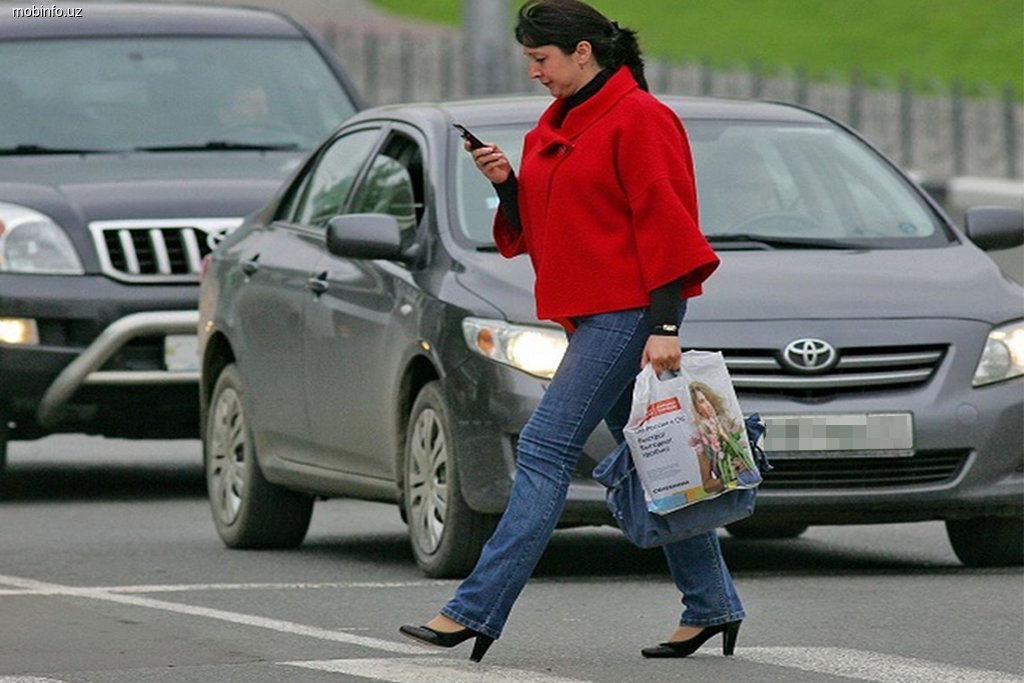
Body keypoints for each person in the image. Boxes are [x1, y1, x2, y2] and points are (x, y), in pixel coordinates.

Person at [400, 0, 745, 662]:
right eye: (530, 60)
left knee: (543, 448)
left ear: (583, 52)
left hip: (630, 313)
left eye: (541, 59)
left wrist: (666, 323)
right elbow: (554, 226)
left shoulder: (642, 118)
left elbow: (666, 223)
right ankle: (712, 603)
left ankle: (472, 610)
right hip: (590, 314)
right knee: (652, 458)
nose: (535, 72)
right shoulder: (553, 128)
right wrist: (506, 186)